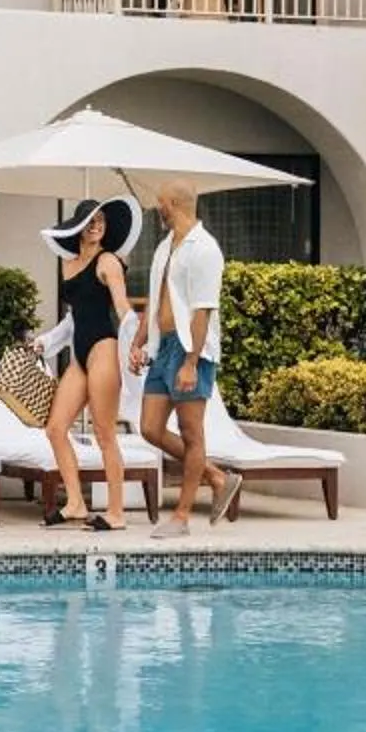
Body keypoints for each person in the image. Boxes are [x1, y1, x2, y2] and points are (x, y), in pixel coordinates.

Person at [39, 195, 137, 531]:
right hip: (79, 352)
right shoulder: (68, 265)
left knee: (104, 432)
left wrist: (137, 343)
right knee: (54, 428)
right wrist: (45, 342)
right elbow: (73, 319)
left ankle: (116, 513)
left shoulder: (108, 261)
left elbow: (122, 308)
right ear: (79, 227)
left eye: (102, 222)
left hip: (103, 349)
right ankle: (76, 503)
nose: (97, 226)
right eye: (91, 221)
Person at [133, 178, 224, 539]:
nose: (158, 208)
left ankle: (182, 517)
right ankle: (216, 476)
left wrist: (190, 362)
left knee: (191, 434)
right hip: (163, 346)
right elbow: (155, 303)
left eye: (160, 203)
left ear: (172, 203)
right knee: (150, 428)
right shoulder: (164, 247)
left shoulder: (205, 249)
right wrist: (139, 342)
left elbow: (202, 311)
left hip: (191, 351)